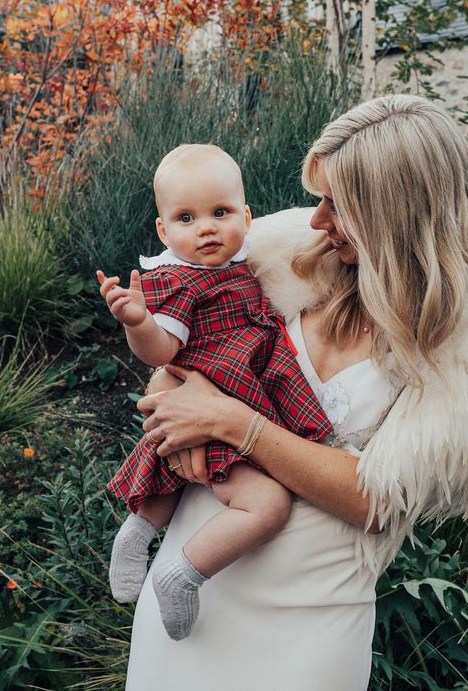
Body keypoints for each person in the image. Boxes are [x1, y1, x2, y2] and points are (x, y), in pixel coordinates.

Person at [124, 94, 468, 690]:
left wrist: (234, 424)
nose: (317, 219)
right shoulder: (286, 254)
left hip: (307, 625)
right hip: (188, 586)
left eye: (337, 204)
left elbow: (377, 501)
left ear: (394, 212)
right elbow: (182, 338)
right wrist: (175, 403)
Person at [96, 144, 332, 641]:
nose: (205, 227)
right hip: (216, 405)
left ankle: (137, 535)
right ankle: (179, 573)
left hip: (239, 402)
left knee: (177, 475)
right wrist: (137, 322)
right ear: (163, 231)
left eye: (220, 212)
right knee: (267, 505)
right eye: (186, 217)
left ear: (246, 217)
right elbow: (161, 352)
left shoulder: (251, 265)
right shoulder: (179, 281)